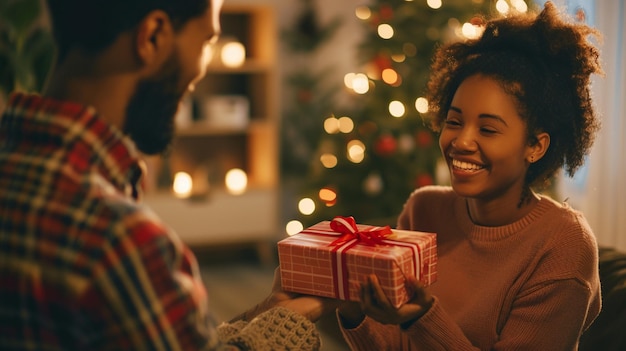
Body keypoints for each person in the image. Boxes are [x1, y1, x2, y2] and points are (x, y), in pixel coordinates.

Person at [0, 0, 336, 350]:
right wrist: (290, 323)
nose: (200, 71)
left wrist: (267, 312)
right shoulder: (121, 241)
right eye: (206, 42)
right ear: (154, 35)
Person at [334, 2, 603, 350]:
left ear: (535, 145)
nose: (460, 141)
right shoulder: (424, 209)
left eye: (488, 129)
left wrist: (423, 318)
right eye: (454, 121)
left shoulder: (564, 245)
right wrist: (355, 313)